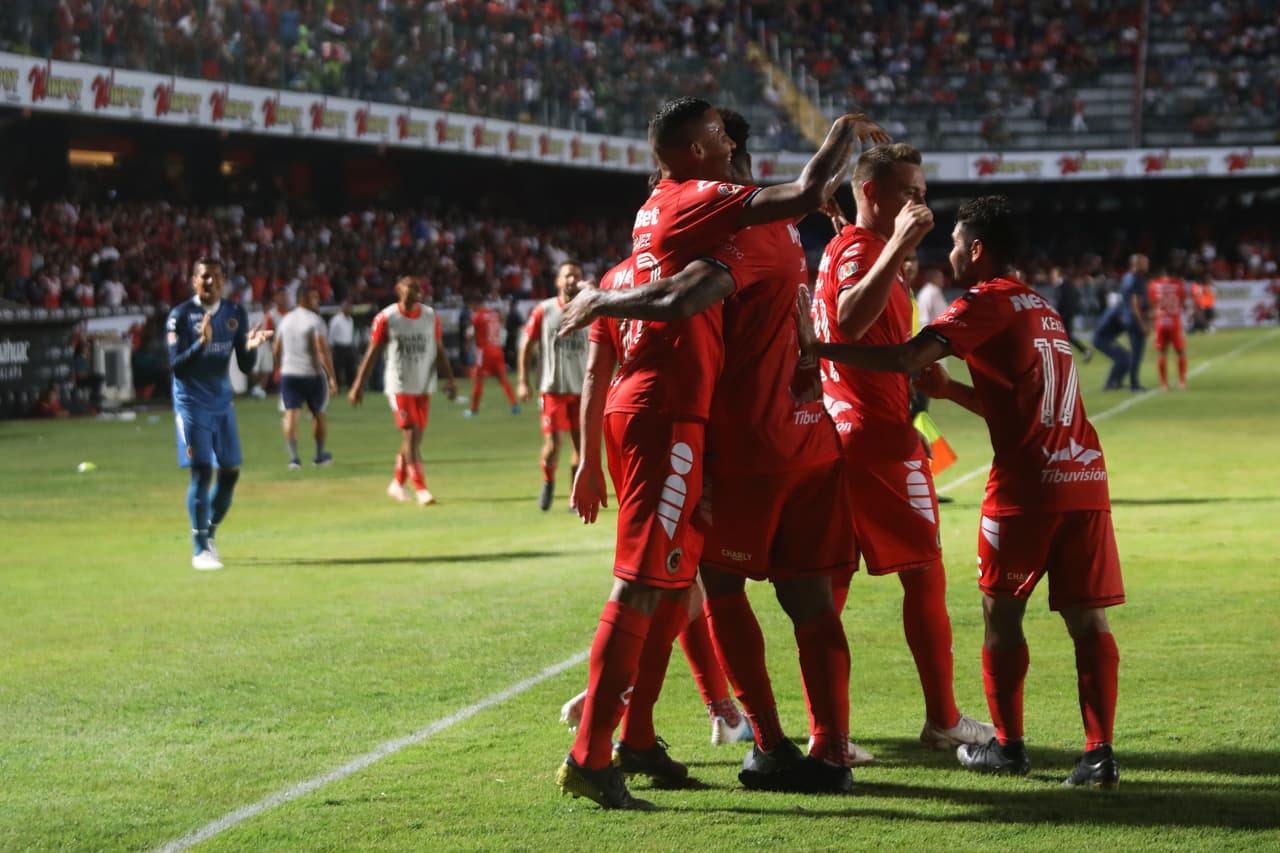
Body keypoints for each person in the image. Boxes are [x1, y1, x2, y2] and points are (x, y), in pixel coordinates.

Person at [554, 97, 886, 810]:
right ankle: (602, 750)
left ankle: (653, 736)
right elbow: (684, 294)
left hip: (713, 426)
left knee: (685, 584)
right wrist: (844, 132)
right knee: (670, 582)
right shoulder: (738, 221)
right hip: (718, 427)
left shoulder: (693, 220)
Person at [797, 195, 1124, 789]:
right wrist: (951, 394)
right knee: (1088, 622)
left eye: (952, 242)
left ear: (976, 250)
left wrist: (817, 350)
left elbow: (903, 358)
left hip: (1027, 487)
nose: (944, 252)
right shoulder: (1041, 307)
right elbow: (1019, 405)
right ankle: (1099, 755)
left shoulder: (986, 299)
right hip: (1085, 478)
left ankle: (1009, 746)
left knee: (1001, 615)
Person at [811, 142, 994, 755]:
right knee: (925, 576)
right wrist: (892, 245)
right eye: (910, 193)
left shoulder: (849, 247)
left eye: (923, 193)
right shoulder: (865, 249)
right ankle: (943, 718)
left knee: (828, 585)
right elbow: (850, 320)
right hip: (879, 438)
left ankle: (827, 736)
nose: (922, 205)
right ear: (871, 194)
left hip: (837, 433)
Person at [166, 257, 272, 570]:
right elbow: (177, 366)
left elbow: (244, 366)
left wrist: (251, 349)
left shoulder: (234, 313)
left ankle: (209, 534)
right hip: (190, 402)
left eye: (215, 276)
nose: (210, 282)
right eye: (203, 277)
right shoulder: (180, 316)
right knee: (201, 471)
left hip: (221, 402)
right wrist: (201, 343)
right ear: (193, 281)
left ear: (224, 279)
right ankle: (200, 550)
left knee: (231, 472)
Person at [349, 276, 457, 506]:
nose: (415, 290)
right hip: (398, 384)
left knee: (414, 439)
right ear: (399, 290)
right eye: (410, 286)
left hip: (423, 384)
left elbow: (439, 349)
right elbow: (373, 353)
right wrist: (359, 384)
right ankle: (421, 489)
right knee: (410, 433)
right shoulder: (387, 318)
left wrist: (450, 379)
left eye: (418, 287)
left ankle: (398, 483)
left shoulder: (429, 316)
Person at [517, 260, 589, 511]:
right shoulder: (544, 310)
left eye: (576, 275)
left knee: (582, 448)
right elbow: (526, 345)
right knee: (552, 446)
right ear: (558, 281)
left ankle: (573, 494)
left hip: (583, 391)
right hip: (553, 389)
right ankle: (548, 482)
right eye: (567, 275)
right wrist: (523, 380)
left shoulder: (591, 310)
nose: (572, 279)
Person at [274, 285, 339, 469]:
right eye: (315, 298)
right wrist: (332, 377)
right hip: (312, 374)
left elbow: (276, 349)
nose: (318, 302)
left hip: (289, 374)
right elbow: (323, 350)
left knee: (291, 414)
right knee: (319, 414)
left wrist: (280, 367)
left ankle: (294, 459)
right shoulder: (315, 320)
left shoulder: (285, 320)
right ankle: (319, 456)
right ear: (304, 299)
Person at [463, 294, 519, 417]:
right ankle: (514, 405)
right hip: (497, 349)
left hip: (484, 351)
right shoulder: (494, 314)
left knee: (478, 380)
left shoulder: (477, 316)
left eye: (472, 306)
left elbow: (471, 334)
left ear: (475, 304)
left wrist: (468, 340)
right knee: (503, 379)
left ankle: (474, 410)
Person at [1147, 264, 1191, 390]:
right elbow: (1182, 302)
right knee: (1180, 352)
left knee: (1162, 353)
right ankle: (1182, 382)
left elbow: (1152, 304)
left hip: (1160, 321)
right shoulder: (1179, 284)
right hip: (1174, 321)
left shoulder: (1153, 284)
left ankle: (1163, 384)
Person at [1119, 254, 1150, 391]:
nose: (1147, 266)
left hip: (1127, 317)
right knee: (1136, 353)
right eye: (1144, 263)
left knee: (1134, 352)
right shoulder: (1138, 278)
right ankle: (1134, 384)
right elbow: (1135, 302)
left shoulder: (1126, 277)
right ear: (1137, 264)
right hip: (1135, 319)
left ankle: (1132, 382)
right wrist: (1143, 324)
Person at [251, 289, 289, 399]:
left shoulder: (290, 314)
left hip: (288, 346)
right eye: (281, 296)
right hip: (272, 345)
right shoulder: (271, 315)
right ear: (276, 299)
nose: (283, 299)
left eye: (285, 296)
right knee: (266, 368)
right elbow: (268, 331)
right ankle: (258, 388)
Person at [1050, 268, 1092, 360]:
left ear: (1058, 275)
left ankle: (1083, 350)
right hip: (1064, 315)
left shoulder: (1064, 285)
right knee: (1064, 335)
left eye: (1053, 274)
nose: (1052, 276)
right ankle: (1083, 351)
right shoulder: (1062, 286)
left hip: (1065, 315)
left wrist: (1064, 314)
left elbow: (1067, 301)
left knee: (1062, 335)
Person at [328, 298, 357, 388]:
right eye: (348, 307)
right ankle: (337, 386)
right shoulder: (336, 320)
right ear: (343, 308)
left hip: (348, 346)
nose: (350, 309)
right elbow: (331, 334)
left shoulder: (351, 320)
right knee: (337, 368)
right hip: (338, 347)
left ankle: (351, 386)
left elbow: (350, 333)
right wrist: (331, 347)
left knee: (350, 367)